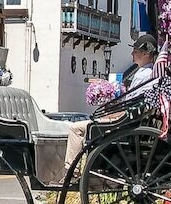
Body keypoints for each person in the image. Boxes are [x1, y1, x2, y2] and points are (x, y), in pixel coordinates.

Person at [62, 34, 159, 171]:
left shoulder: (143, 74)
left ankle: (71, 171)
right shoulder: (150, 73)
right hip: (132, 119)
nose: (132, 53)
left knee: (75, 128)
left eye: (135, 51)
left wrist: (112, 109)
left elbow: (130, 103)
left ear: (145, 54)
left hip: (124, 122)